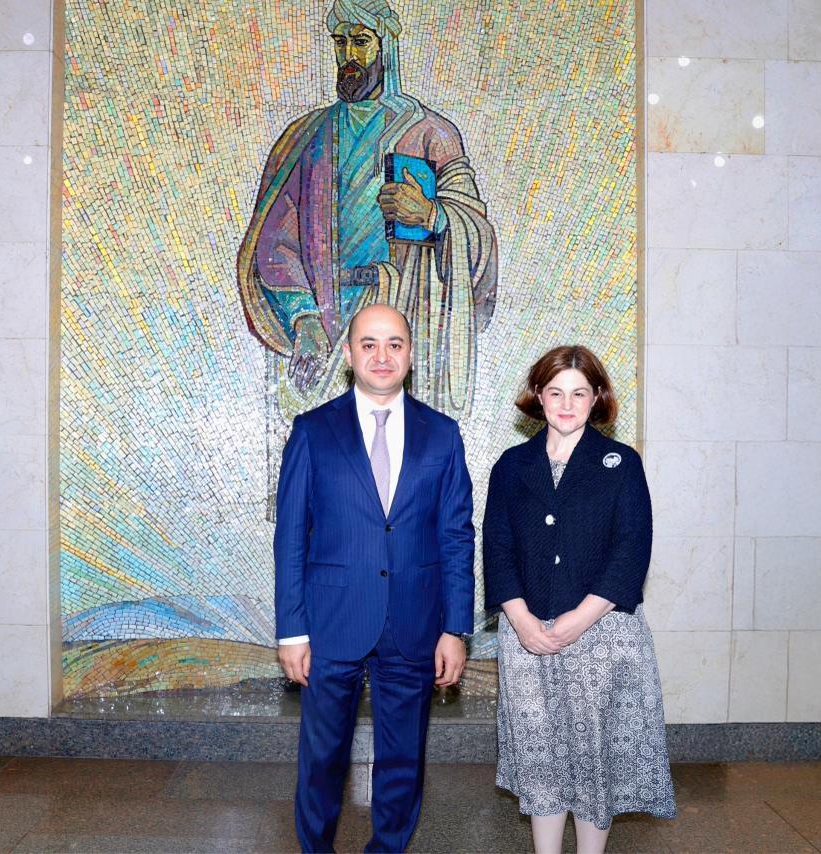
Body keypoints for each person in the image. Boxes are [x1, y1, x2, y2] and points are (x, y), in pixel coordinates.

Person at [274, 303, 476, 852]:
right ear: (348, 354)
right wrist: (291, 631)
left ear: (411, 354)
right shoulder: (312, 432)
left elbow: (456, 536)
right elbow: (290, 538)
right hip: (330, 624)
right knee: (321, 760)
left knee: (403, 761)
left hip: (415, 624)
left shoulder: (443, 435)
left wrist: (455, 628)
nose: (381, 356)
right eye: (368, 344)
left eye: (394, 344)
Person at [237, 0, 498, 420]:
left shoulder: (430, 134)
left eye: (361, 41)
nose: (349, 56)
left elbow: (479, 239)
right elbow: (274, 244)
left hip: (403, 320)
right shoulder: (308, 138)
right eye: (340, 42)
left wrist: (432, 216)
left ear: (385, 46)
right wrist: (304, 318)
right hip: (326, 323)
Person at [482, 345, 676, 854]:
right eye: (555, 392)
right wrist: (522, 620)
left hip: (602, 634)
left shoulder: (621, 463)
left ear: (596, 398)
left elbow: (631, 549)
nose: (566, 405)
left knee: (595, 760)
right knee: (540, 757)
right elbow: (497, 546)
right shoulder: (512, 465)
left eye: (579, 393)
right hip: (527, 636)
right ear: (538, 396)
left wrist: (579, 619)